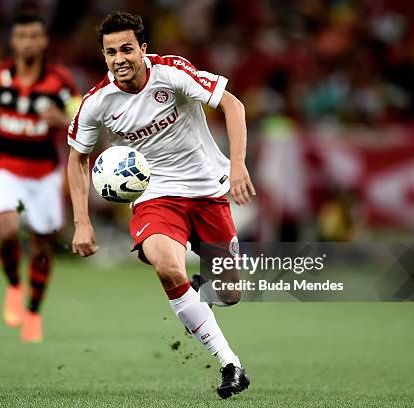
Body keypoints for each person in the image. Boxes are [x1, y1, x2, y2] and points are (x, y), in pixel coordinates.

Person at [67, 11, 256, 398]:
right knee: (167, 266)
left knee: (230, 293)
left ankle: (201, 290)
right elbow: (77, 158)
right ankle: (230, 364)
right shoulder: (97, 102)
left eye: (126, 49)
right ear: (103, 56)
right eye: (110, 52)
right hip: (156, 196)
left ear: (143, 49)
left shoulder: (171, 72)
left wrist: (237, 165)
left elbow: (232, 106)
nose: (119, 58)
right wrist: (81, 222)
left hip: (208, 191)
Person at [0, 13, 80, 343]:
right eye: (22, 36)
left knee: (43, 245)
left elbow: (81, 122)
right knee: (8, 229)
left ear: (44, 41)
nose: (28, 42)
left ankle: (33, 311)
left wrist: (61, 118)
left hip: (44, 175)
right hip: (4, 169)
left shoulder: (61, 81)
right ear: (13, 42)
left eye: (34, 36)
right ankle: (14, 286)